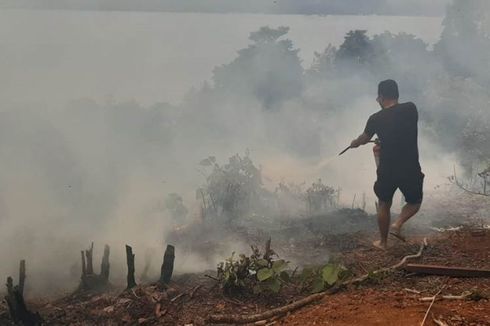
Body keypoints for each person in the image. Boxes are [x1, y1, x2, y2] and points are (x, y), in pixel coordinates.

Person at [350, 79, 424, 250]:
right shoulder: (410, 108)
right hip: (409, 166)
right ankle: (397, 224)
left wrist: (355, 142)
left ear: (381, 97)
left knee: (384, 203)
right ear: (396, 94)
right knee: (415, 202)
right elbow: (399, 130)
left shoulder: (375, 118)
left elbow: (364, 138)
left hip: (387, 168)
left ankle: (383, 243)